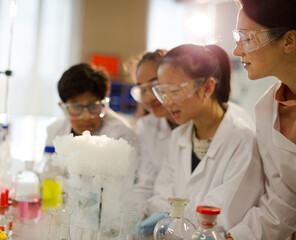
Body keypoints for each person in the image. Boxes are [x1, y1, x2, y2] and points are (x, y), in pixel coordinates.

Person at [142, 44, 263, 237]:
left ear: (207, 87)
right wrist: (160, 213)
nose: (167, 102)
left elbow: (223, 217)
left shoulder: (242, 140)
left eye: (174, 91)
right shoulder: (178, 137)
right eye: (162, 92)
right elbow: (163, 194)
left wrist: (172, 217)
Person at [227, 0, 296, 239]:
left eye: (247, 39)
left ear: (288, 41)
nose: (237, 51)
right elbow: (284, 202)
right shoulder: (267, 110)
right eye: (238, 38)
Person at [45, 63, 139, 170]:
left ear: (105, 104)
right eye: (76, 107)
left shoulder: (121, 134)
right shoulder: (55, 130)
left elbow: (129, 181)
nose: (86, 117)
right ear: (63, 107)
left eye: (93, 106)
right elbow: (49, 173)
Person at [130, 50, 178, 204]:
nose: (149, 97)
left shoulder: (195, 123)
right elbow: (145, 183)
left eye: (155, 85)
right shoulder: (147, 125)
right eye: (142, 90)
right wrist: (130, 215)